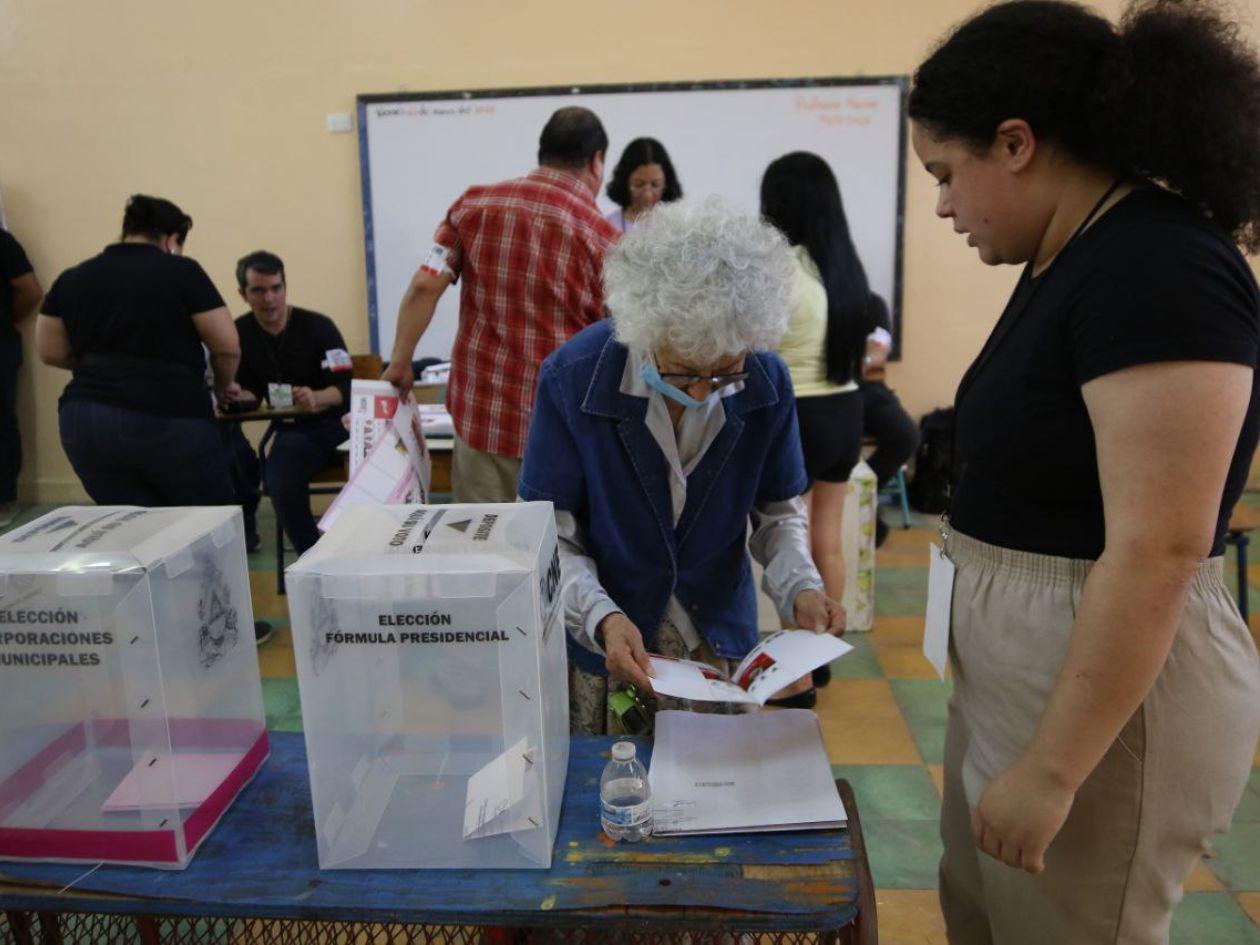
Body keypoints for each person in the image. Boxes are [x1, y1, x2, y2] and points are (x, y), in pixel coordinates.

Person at [908, 2, 1260, 942]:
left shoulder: (1159, 265)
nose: (943, 205)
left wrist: (1054, 770)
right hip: (1027, 668)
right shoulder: (1071, 254)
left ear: (1015, 142)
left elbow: (1162, 546)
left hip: (1104, 693)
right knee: (987, 915)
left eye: (947, 174)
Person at [518, 198, 844, 735]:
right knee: (617, 790)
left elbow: (779, 514)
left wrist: (800, 588)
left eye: (724, 373)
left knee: (713, 786)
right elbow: (552, 539)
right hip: (612, 637)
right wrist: (601, 617)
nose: (702, 391)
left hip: (715, 636)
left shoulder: (765, 381)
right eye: (685, 371)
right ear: (646, 331)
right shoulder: (574, 381)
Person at [383, 107, 619, 504]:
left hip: (482, 423)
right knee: (554, 554)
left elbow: (426, 285)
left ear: (543, 151)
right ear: (597, 162)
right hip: (561, 433)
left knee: (484, 552)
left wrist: (401, 360)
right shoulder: (604, 239)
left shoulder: (474, 206)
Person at [36, 195, 240, 507]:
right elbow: (226, 347)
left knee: (134, 531)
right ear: (172, 240)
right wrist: (222, 388)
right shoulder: (181, 271)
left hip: (85, 422)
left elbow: (49, 350)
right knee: (205, 525)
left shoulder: (73, 277)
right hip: (168, 415)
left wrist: (101, 367)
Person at [761, 152, 875, 704]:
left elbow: (759, 347)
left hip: (798, 416)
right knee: (827, 536)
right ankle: (822, 653)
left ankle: (798, 674)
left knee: (792, 539)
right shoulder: (844, 268)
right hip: (845, 410)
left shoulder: (781, 268)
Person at [220, 251, 351, 556]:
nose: (270, 299)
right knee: (278, 481)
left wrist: (317, 397)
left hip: (339, 426)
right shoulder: (239, 334)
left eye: (276, 288)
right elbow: (251, 393)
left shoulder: (318, 326)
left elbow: (347, 387)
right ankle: (313, 559)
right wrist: (237, 396)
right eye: (259, 290)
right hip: (294, 433)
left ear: (285, 287)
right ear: (243, 294)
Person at [859, 303, 919, 547]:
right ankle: (858, 508)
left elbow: (876, 357)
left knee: (906, 435)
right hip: (831, 392)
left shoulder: (872, 304)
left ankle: (861, 496)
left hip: (869, 388)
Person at [0, 227, 42, 526]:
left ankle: (3, 499)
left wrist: (5, 320)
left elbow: (30, 290)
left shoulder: (2, 242)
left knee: (1, 420)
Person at [604, 137, 683, 233]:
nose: (647, 195)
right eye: (638, 185)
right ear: (624, 183)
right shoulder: (608, 227)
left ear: (666, 184)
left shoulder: (676, 227)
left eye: (655, 185)